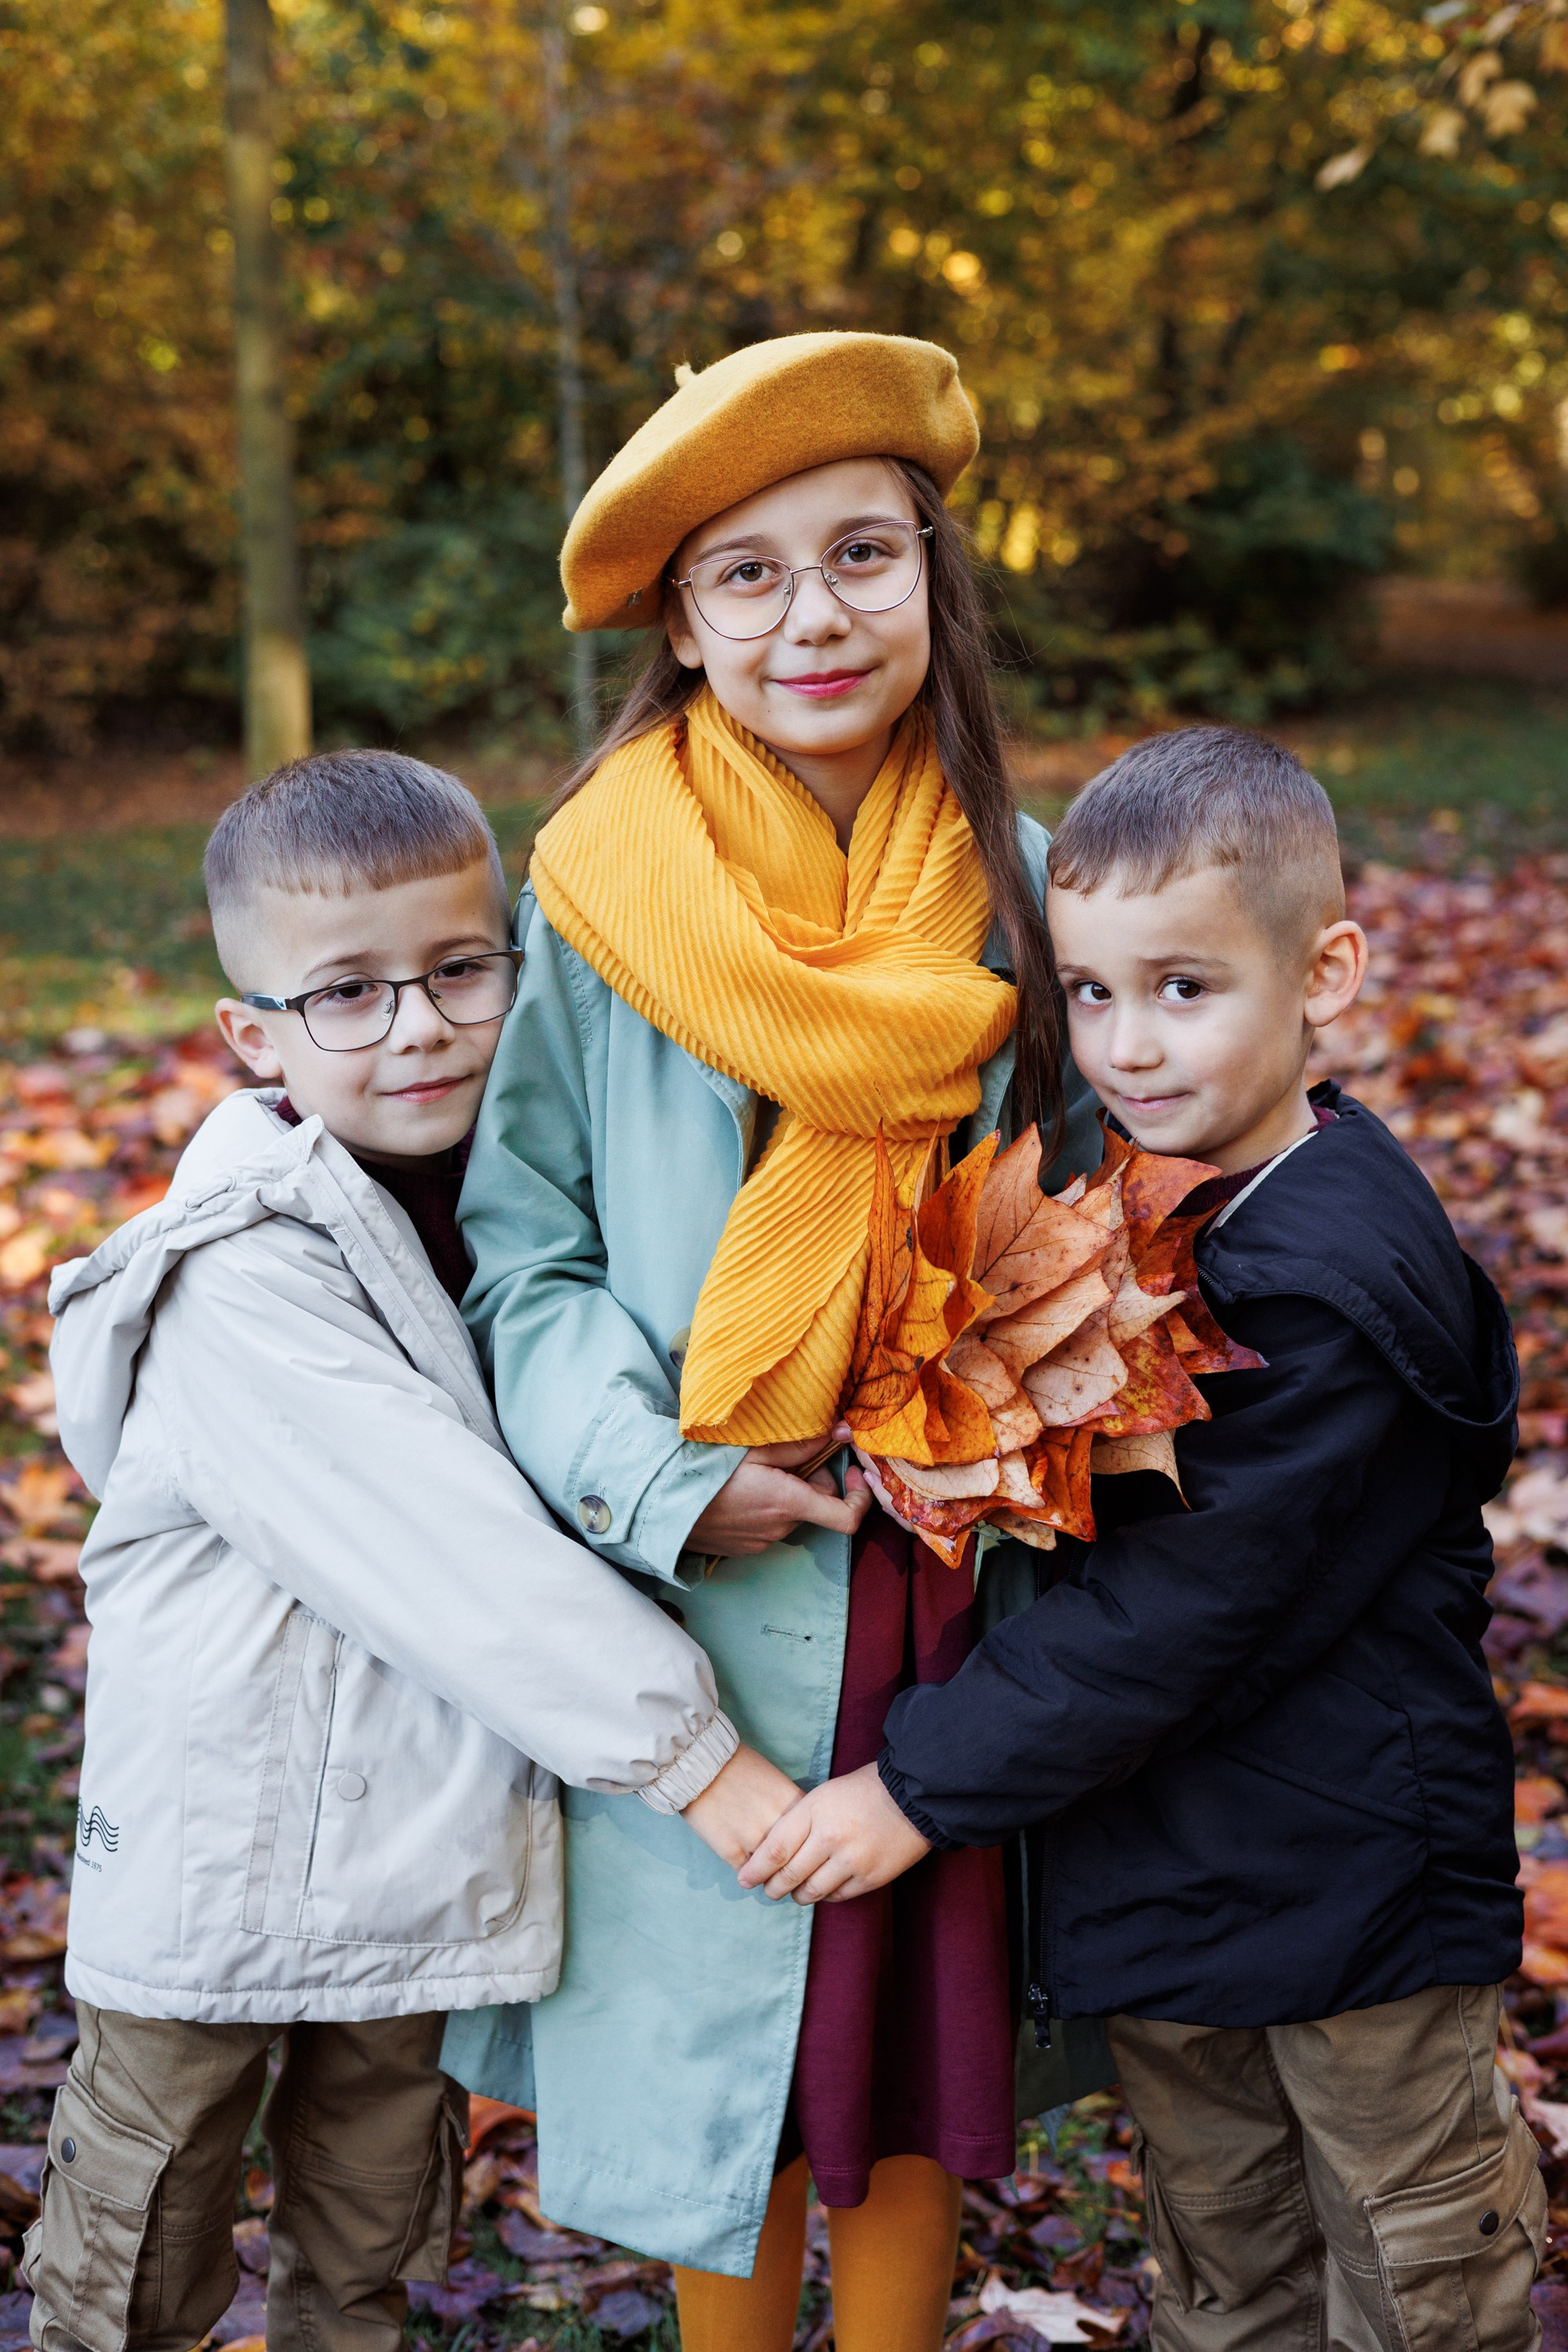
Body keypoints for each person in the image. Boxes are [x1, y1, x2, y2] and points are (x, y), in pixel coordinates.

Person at [437, 330, 1104, 2352]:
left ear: (934, 578)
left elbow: (1098, 1225)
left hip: (940, 1568)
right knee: (717, 2052)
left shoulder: (1024, 892)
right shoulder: (594, 897)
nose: (813, 614)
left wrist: (1000, 1428)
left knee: (891, 2060)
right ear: (681, 618)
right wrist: (659, 1478)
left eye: (862, 556)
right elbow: (525, 1250)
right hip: (689, 1572)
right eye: (748, 572)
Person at [743, 725, 1541, 2352]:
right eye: (1089, 995)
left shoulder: (1323, 1275)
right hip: (1175, 1892)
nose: (1126, 1045)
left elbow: (1180, 1607)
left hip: (1353, 1888)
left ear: (1323, 976)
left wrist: (917, 1782)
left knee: (1409, 2281)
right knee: (1226, 2275)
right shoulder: (1163, 1212)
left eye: (1184, 989)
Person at [27, 750, 775, 2352]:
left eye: (457, 971)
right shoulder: (241, 1276)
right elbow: (462, 1564)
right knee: (142, 2258)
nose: (418, 1024)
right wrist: (702, 1759)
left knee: (361, 2255)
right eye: (347, 994)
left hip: (412, 1853)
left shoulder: (512, 1209)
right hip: (217, 1867)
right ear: (256, 1036)